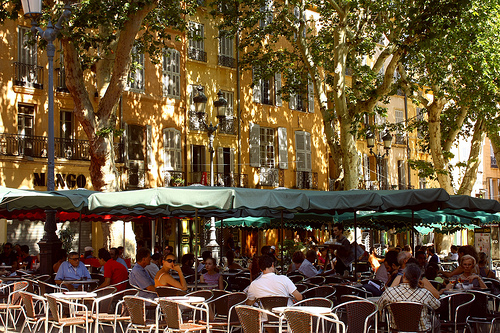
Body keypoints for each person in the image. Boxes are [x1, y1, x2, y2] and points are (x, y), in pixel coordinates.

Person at [377, 263, 440, 332]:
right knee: (435, 320)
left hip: (397, 329)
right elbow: (436, 305)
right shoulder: (425, 293)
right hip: (420, 330)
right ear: (419, 278)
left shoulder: (390, 292)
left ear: (404, 275)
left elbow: (379, 306)